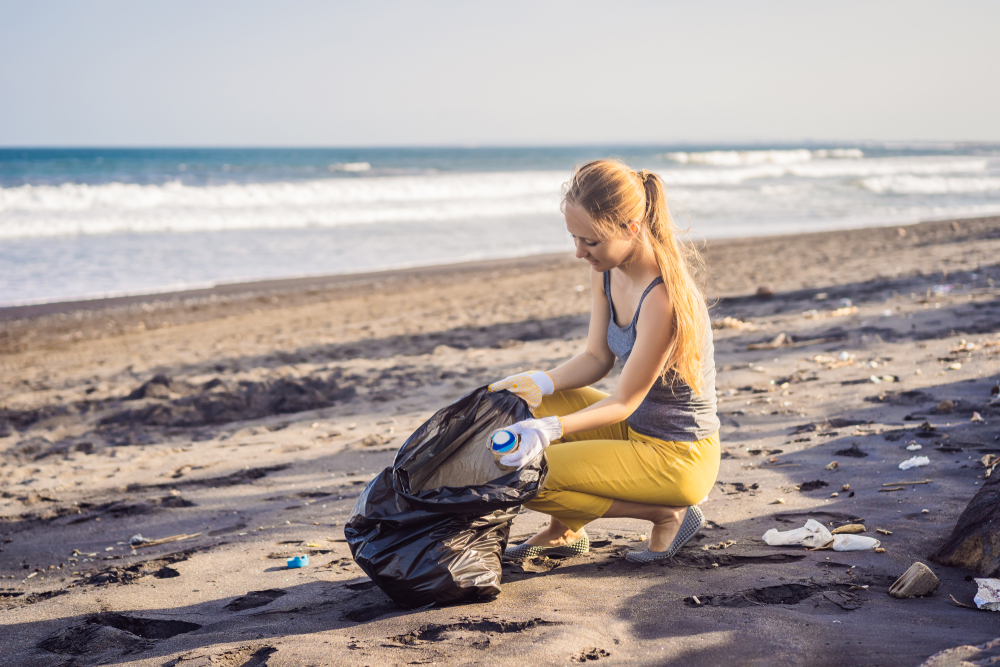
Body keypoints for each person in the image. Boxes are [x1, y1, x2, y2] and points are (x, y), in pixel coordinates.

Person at [487, 159, 720, 563]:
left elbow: (623, 402)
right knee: (523, 408)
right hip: (634, 432)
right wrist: (538, 382)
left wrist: (550, 431)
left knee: (527, 473)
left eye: (590, 241)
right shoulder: (608, 272)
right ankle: (564, 531)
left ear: (630, 227)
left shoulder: (662, 299)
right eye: (574, 238)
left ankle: (666, 515)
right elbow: (597, 358)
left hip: (678, 457)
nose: (579, 252)